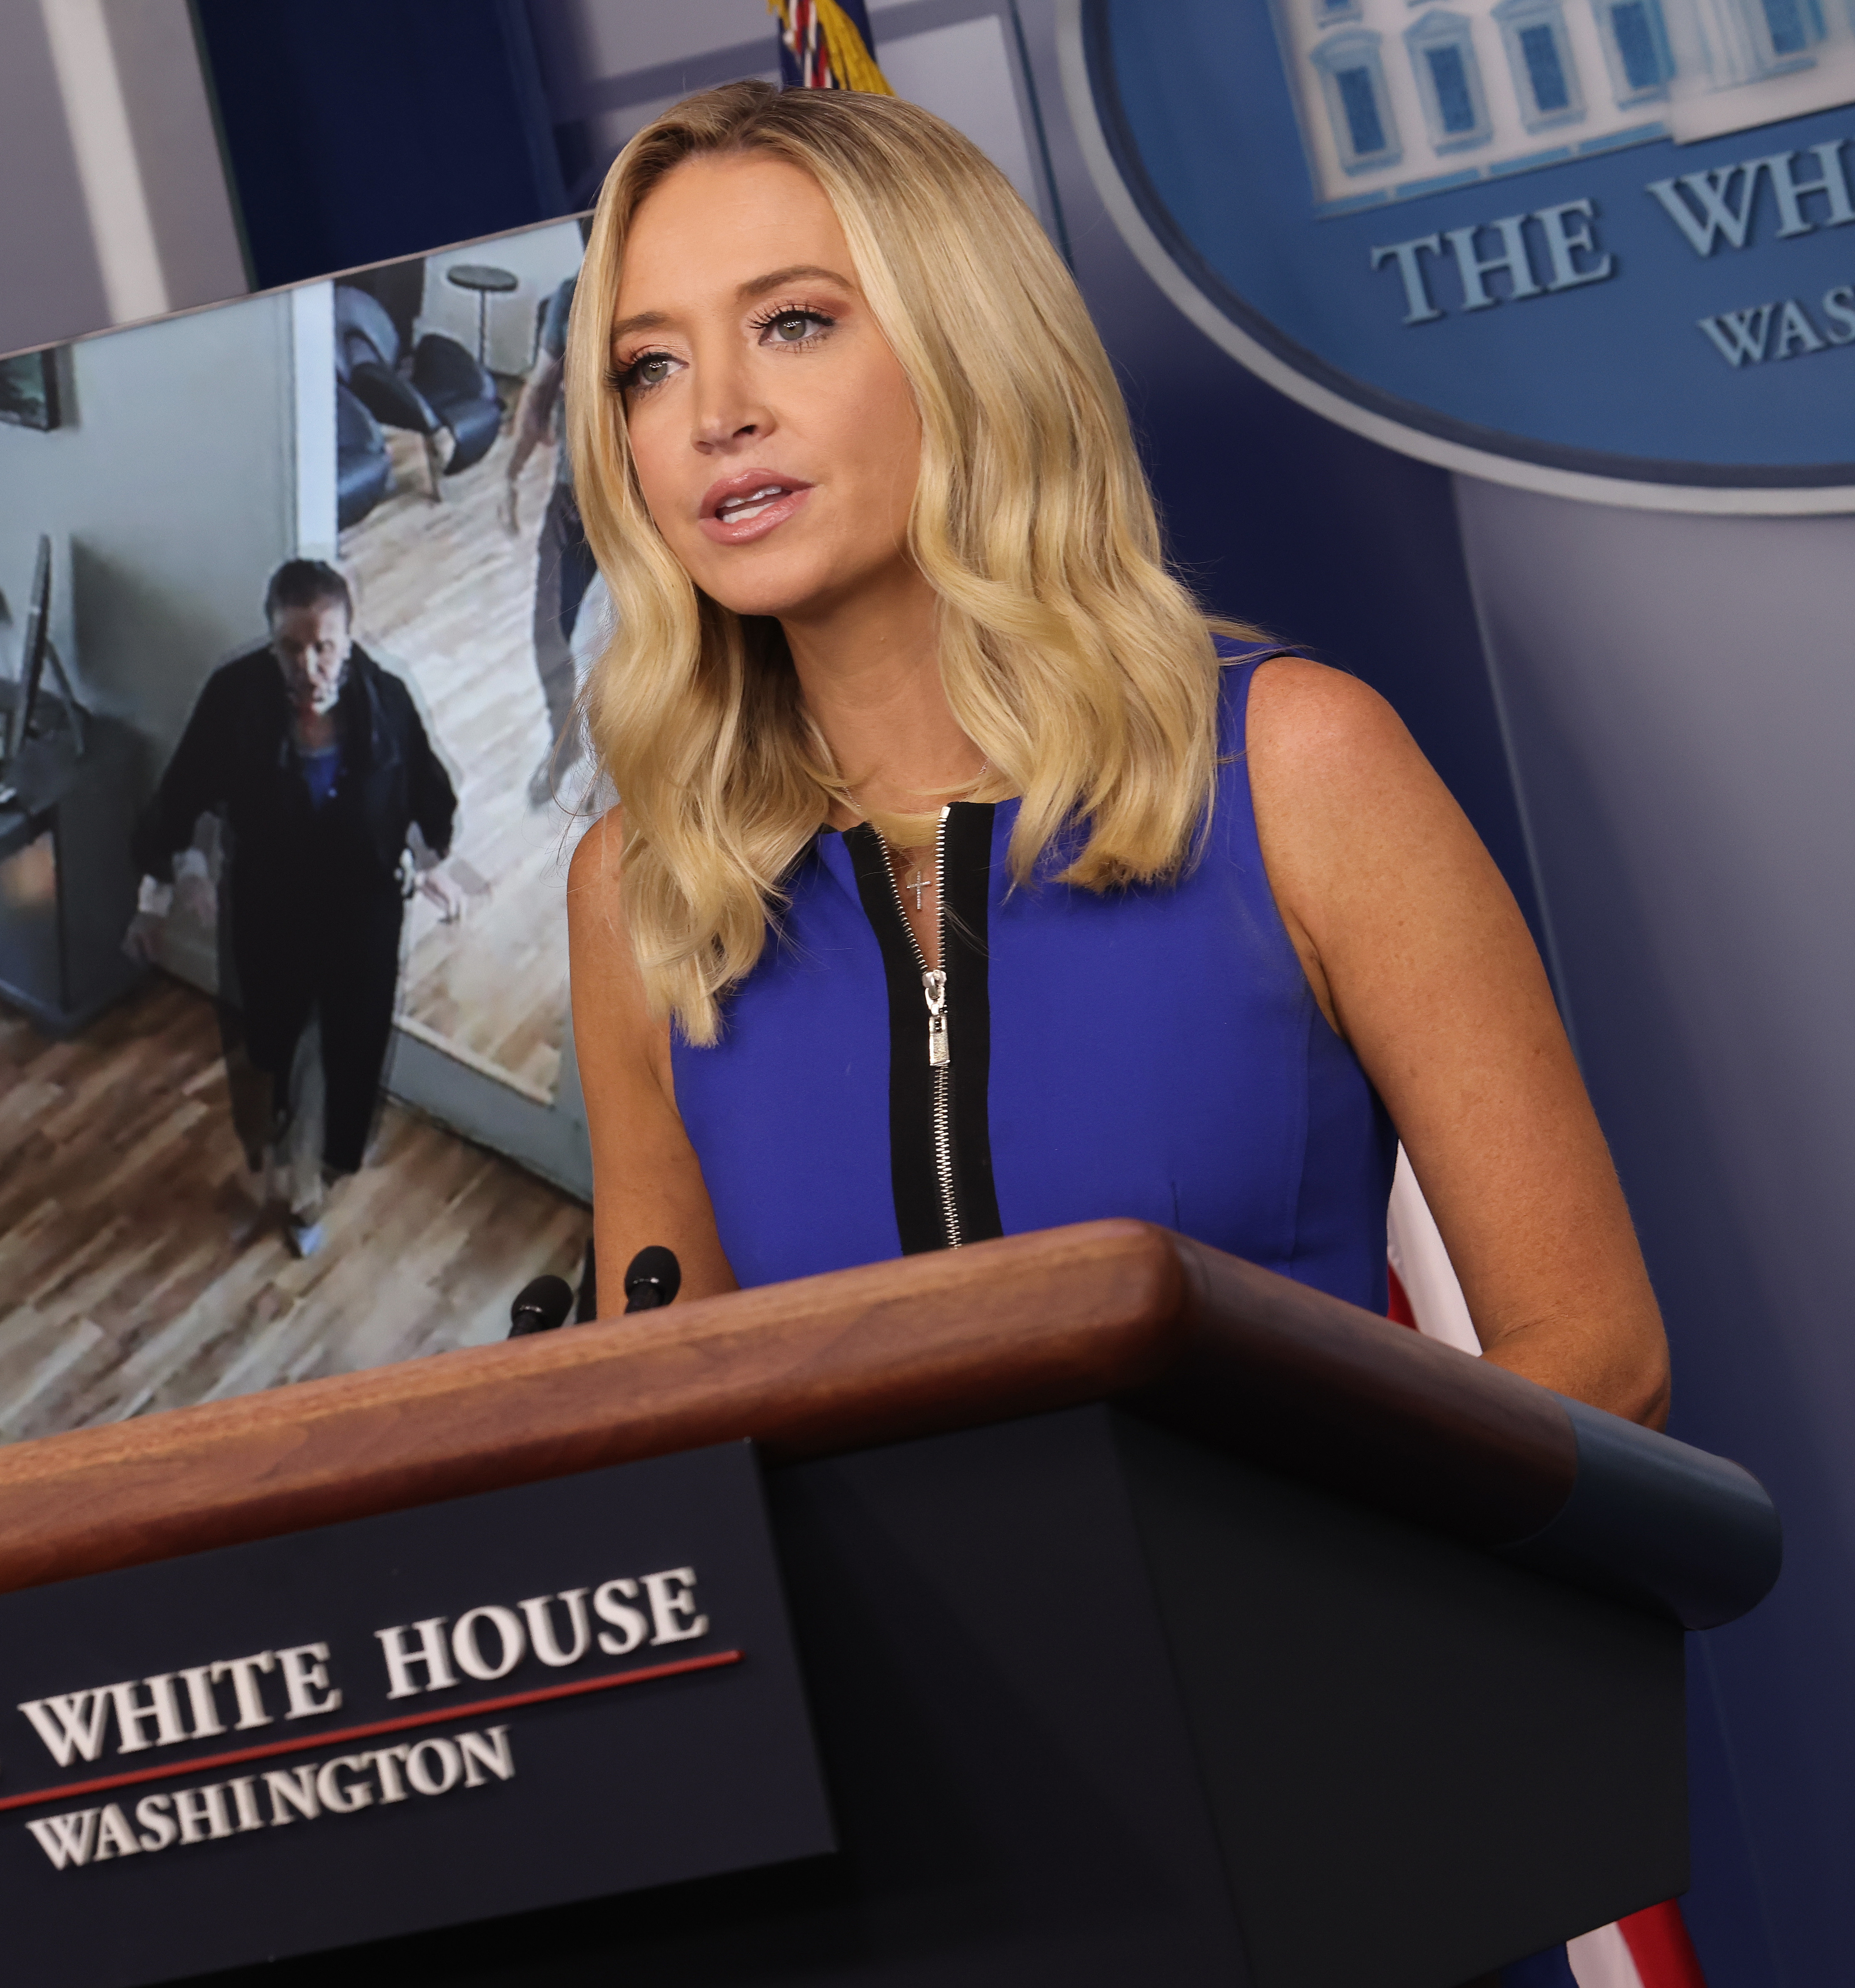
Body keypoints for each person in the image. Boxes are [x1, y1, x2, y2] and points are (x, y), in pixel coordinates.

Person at [562, 82, 1670, 1431]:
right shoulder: (642, 889)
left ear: (961, 347)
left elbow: (1597, 1359)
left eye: (790, 323)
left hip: (1292, 1630)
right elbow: (664, 1441)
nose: (711, 413)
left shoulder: (1296, 762)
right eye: (646, 365)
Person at [129, 560, 463, 1255]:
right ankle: (278, 1165)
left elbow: (428, 796)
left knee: (343, 1049)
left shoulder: (385, 701)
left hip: (361, 911)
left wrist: (431, 861)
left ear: (349, 636)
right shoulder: (235, 697)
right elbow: (181, 794)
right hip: (267, 905)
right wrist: (166, 885)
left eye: (325, 647)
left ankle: (310, 1187)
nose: (309, 665)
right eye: (291, 647)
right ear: (271, 638)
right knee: (270, 1044)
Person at [502, 274, 599, 804]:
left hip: (647, 506)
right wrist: (510, 474)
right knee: (549, 638)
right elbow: (540, 390)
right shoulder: (568, 294)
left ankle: (617, 772)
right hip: (571, 500)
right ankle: (564, 743)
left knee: (632, 649)